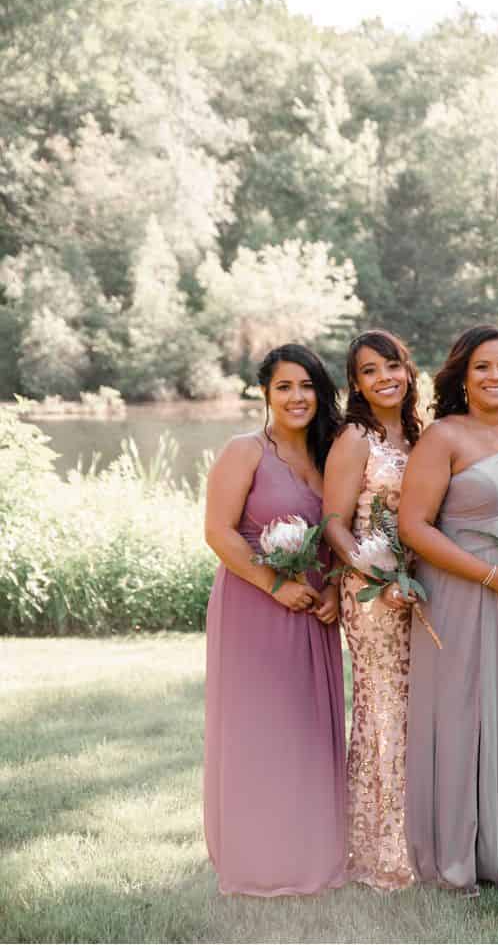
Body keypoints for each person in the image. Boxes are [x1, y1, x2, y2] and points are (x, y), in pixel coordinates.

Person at [398, 325, 498, 895]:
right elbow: (413, 527)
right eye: (483, 367)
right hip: (461, 592)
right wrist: (492, 577)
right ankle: (452, 859)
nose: (495, 377)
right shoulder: (444, 437)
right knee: (461, 717)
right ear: (463, 374)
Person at [202, 344, 346, 895]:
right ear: (266, 393)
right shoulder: (245, 451)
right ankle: (257, 857)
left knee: (306, 729)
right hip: (253, 607)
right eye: (284, 386)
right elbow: (218, 532)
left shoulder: (330, 453)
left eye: (306, 385)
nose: (297, 397)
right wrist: (275, 584)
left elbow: (337, 533)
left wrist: (331, 585)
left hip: (313, 611)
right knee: (260, 728)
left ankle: (309, 849)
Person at [322, 330, 424, 891]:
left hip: (419, 589)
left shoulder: (417, 433)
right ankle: (379, 848)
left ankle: (422, 834)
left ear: (407, 370)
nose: (384, 377)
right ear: (356, 383)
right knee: (383, 706)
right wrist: (373, 569)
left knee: (416, 709)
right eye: (369, 371)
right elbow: (334, 520)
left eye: (392, 365)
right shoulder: (354, 437)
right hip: (370, 591)